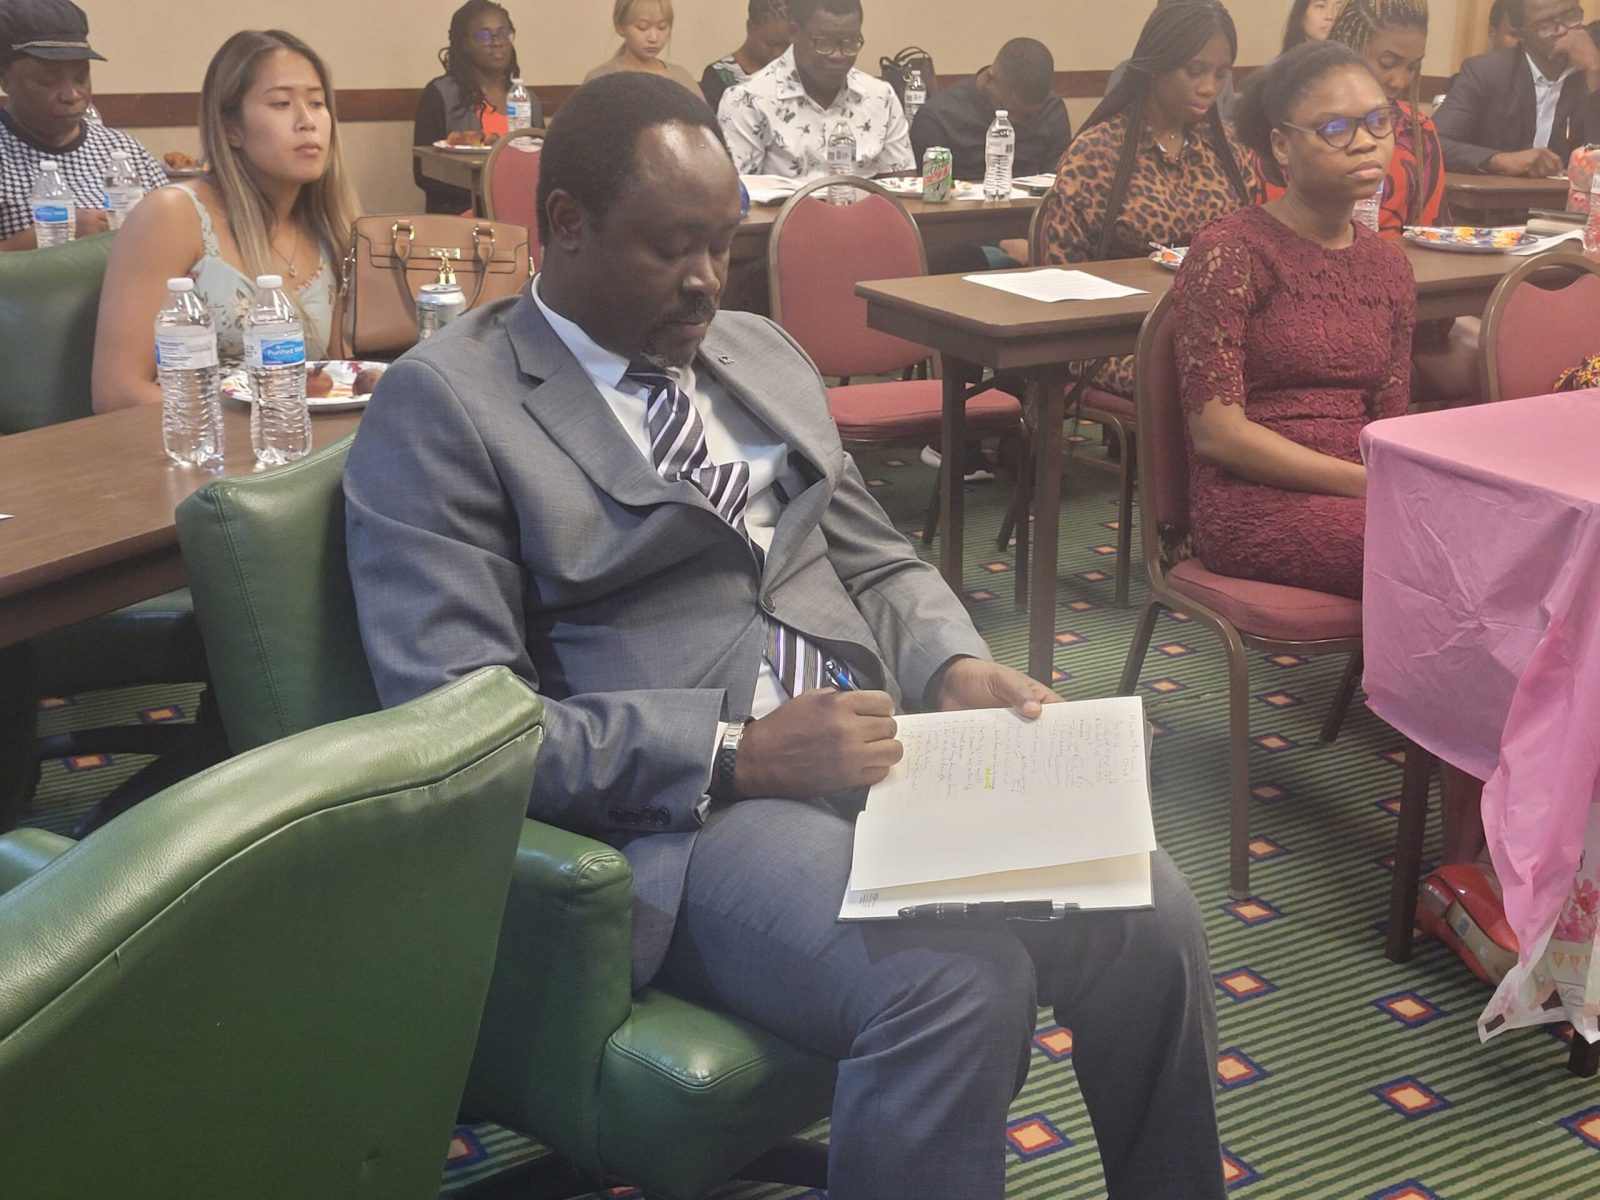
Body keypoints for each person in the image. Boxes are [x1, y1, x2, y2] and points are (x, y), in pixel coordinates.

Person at [343, 71, 1224, 1200]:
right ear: (564, 224)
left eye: (724, 243)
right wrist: (736, 753)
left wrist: (950, 665)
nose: (707, 281)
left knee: (1150, 907)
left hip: (885, 751)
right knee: (958, 983)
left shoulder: (759, 355)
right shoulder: (450, 406)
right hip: (698, 817)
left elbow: (875, 558)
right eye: (671, 247)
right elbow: (461, 724)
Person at [1172, 40, 1415, 600]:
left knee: (1494, 534)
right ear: (1282, 144)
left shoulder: (1389, 266)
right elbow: (1217, 435)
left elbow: (1391, 423)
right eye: (1337, 128)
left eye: (1378, 121)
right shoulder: (1232, 252)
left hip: (1363, 488)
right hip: (1252, 500)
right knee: (1433, 550)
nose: (1366, 142)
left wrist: (1390, 485)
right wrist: (1370, 486)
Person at [91, 29, 358, 413]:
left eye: (317, 103)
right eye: (281, 103)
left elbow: (335, 377)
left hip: (296, 438)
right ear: (232, 128)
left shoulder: (328, 228)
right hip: (194, 440)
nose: (307, 121)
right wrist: (250, 430)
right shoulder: (171, 214)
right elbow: (117, 393)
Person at [1036, 0, 1257, 399]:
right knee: (1203, 378)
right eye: (1195, 71)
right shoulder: (1097, 152)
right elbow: (1062, 277)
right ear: (1157, 65)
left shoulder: (1228, 149)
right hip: (1113, 341)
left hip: (1217, 332)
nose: (1209, 87)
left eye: (1221, 74)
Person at [0, 0, 166, 250]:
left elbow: (179, 228)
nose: (72, 95)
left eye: (81, 78)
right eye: (48, 81)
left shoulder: (124, 150)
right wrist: (56, 232)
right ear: (5, 79)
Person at [718, 0, 915, 179]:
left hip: (866, 207)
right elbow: (736, 196)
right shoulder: (747, 101)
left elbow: (903, 188)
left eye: (850, 44)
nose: (838, 55)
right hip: (787, 208)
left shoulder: (881, 97)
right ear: (794, 33)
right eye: (824, 43)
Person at [1433, 0, 1600, 174]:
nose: (1564, 30)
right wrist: (1499, 160)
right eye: (1545, 26)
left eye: (1571, 16)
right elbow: (1432, 144)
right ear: (1520, 34)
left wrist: (1594, 71)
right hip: (1499, 190)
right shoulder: (1486, 72)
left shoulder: (1592, 70)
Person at [413, 0, 538, 214]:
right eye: (484, 35)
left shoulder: (526, 99)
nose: (497, 42)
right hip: (463, 217)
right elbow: (423, 172)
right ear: (465, 44)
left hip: (521, 215)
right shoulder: (440, 94)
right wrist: (489, 193)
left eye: (504, 33)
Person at [910, 38, 1072, 182]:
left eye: (1029, 116)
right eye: (1010, 111)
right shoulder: (938, 117)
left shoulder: (1052, 109)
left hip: (1032, 205)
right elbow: (931, 192)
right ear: (989, 79)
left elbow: (1058, 182)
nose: (1017, 121)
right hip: (960, 205)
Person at [584, 0, 701, 95]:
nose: (654, 38)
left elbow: (702, 117)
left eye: (662, 27)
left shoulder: (681, 78)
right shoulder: (600, 80)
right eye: (642, 27)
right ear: (619, 27)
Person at [700, 0, 791, 115]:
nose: (778, 53)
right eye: (771, 43)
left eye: (787, 46)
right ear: (750, 27)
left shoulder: (789, 72)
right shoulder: (718, 76)